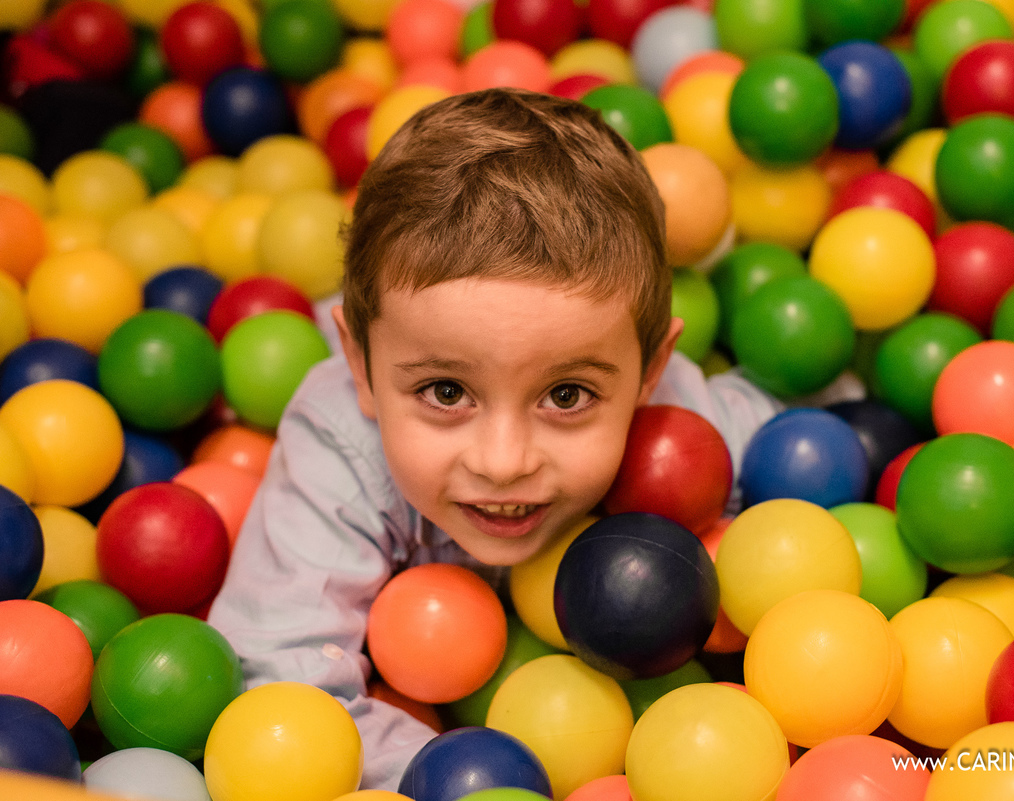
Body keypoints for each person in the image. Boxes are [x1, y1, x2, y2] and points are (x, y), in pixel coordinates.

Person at [206, 88, 787, 791]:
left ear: (647, 375)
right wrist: (473, 778)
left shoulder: (680, 430)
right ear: (360, 367)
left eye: (566, 395)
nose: (504, 461)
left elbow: (793, 436)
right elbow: (278, 685)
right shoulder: (339, 438)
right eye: (446, 393)